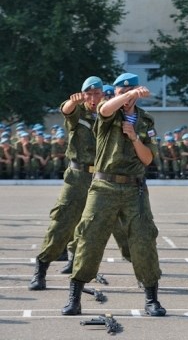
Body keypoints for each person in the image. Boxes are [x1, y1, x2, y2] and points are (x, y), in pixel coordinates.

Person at [61, 72, 166, 317]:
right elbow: (106, 109)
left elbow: (148, 158)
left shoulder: (146, 121)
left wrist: (133, 137)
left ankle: (152, 299)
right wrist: (127, 96)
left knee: (143, 240)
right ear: (116, 93)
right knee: (89, 238)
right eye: (121, 91)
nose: (127, 97)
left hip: (134, 189)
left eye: (131, 91)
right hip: (104, 187)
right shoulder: (107, 114)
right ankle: (75, 297)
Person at [29, 77, 107, 290]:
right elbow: (66, 110)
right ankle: (41, 269)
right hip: (77, 177)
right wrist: (72, 101)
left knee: (93, 228)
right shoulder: (78, 113)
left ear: (103, 95)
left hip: (101, 179)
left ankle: (79, 272)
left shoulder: (108, 114)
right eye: (88, 94)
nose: (93, 98)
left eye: (97, 94)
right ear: (83, 95)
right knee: (61, 223)